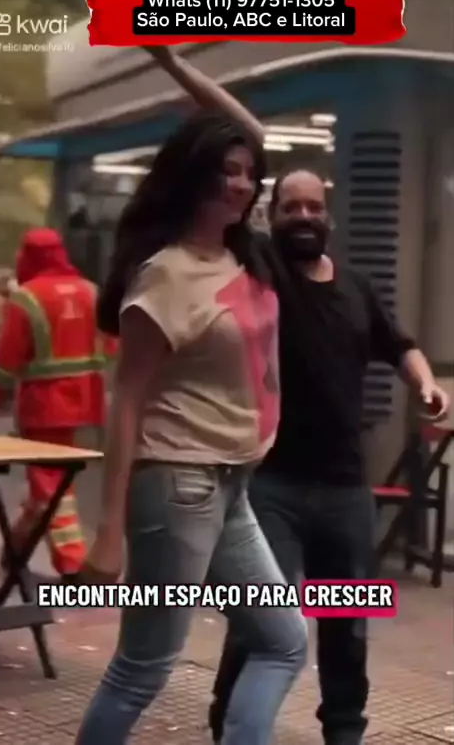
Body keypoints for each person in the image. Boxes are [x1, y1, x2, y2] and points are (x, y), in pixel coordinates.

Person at [145, 46, 450, 745]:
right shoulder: (260, 266)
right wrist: (172, 64)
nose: (304, 215)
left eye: (314, 206)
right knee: (263, 621)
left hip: (346, 490)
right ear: (271, 213)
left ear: (329, 216)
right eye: (291, 206)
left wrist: (426, 384)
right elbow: (244, 133)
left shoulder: (356, 286)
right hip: (270, 487)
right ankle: (230, 720)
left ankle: (344, 729)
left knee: (347, 622)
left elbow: (400, 344)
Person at [75, 110, 308, 745]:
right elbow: (126, 399)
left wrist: (177, 64)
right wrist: (109, 532)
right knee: (142, 667)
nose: (241, 184)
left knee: (283, 640)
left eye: (248, 173)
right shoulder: (166, 273)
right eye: (225, 170)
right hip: (178, 483)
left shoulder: (241, 253)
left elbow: (249, 129)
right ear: (192, 173)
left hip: (231, 485)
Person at [0, 228, 117, 579]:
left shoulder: (27, 298)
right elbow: (113, 347)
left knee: (53, 488)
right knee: (47, 486)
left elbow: (4, 367)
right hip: (90, 407)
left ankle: (74, 566)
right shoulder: (90, 291)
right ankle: (16, 549)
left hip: (46, 411)